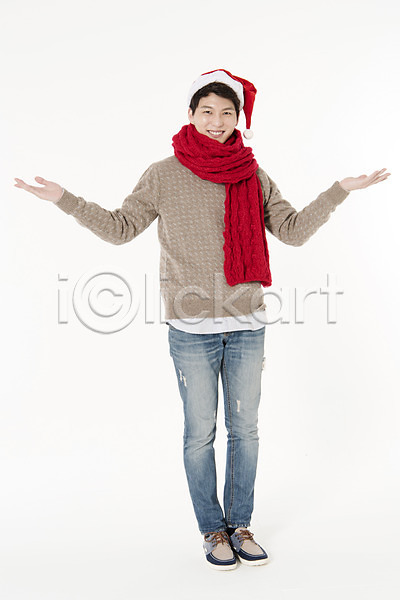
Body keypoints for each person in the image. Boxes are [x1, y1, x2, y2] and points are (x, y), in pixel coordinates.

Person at [14, 68, 390, 571]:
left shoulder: (252, 174)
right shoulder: (163, 174)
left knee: (245, 431)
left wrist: (339, 190)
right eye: (207, 111)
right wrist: (65, 200)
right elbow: (121, 229)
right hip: (191, 330)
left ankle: (240, 525)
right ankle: (212, 530)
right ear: (190, 115)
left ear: (238, 119)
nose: (217, 121)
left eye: (227, 112)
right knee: (200, 435)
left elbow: (293, 232)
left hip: (248, 323)